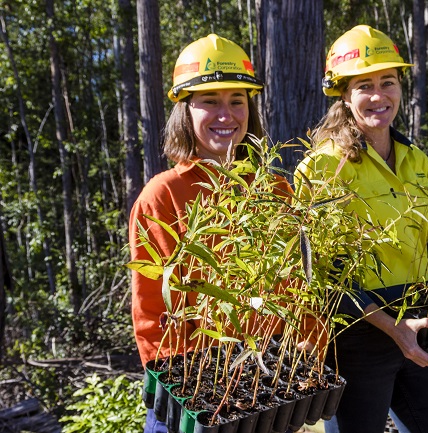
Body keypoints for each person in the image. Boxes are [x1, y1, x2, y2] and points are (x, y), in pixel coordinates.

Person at [294, 25, 428, 433]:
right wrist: (392, 328)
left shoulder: (416, 159)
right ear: (344, 96)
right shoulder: (324, 167)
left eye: (388, 82)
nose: (379, 96)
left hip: (418, 319)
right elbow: (325, 276)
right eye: (364, 86)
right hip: (359, 332)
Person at [129, 34, 291, 433]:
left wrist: (300, 355)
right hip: (195, 391)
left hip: (266, 382)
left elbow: (292, 288)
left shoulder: (276, 190)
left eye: (237, 101)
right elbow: (152, 310)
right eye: (210, 102)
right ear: (185, 111)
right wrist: (189, 390)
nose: (227, 115)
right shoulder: (163, 194)